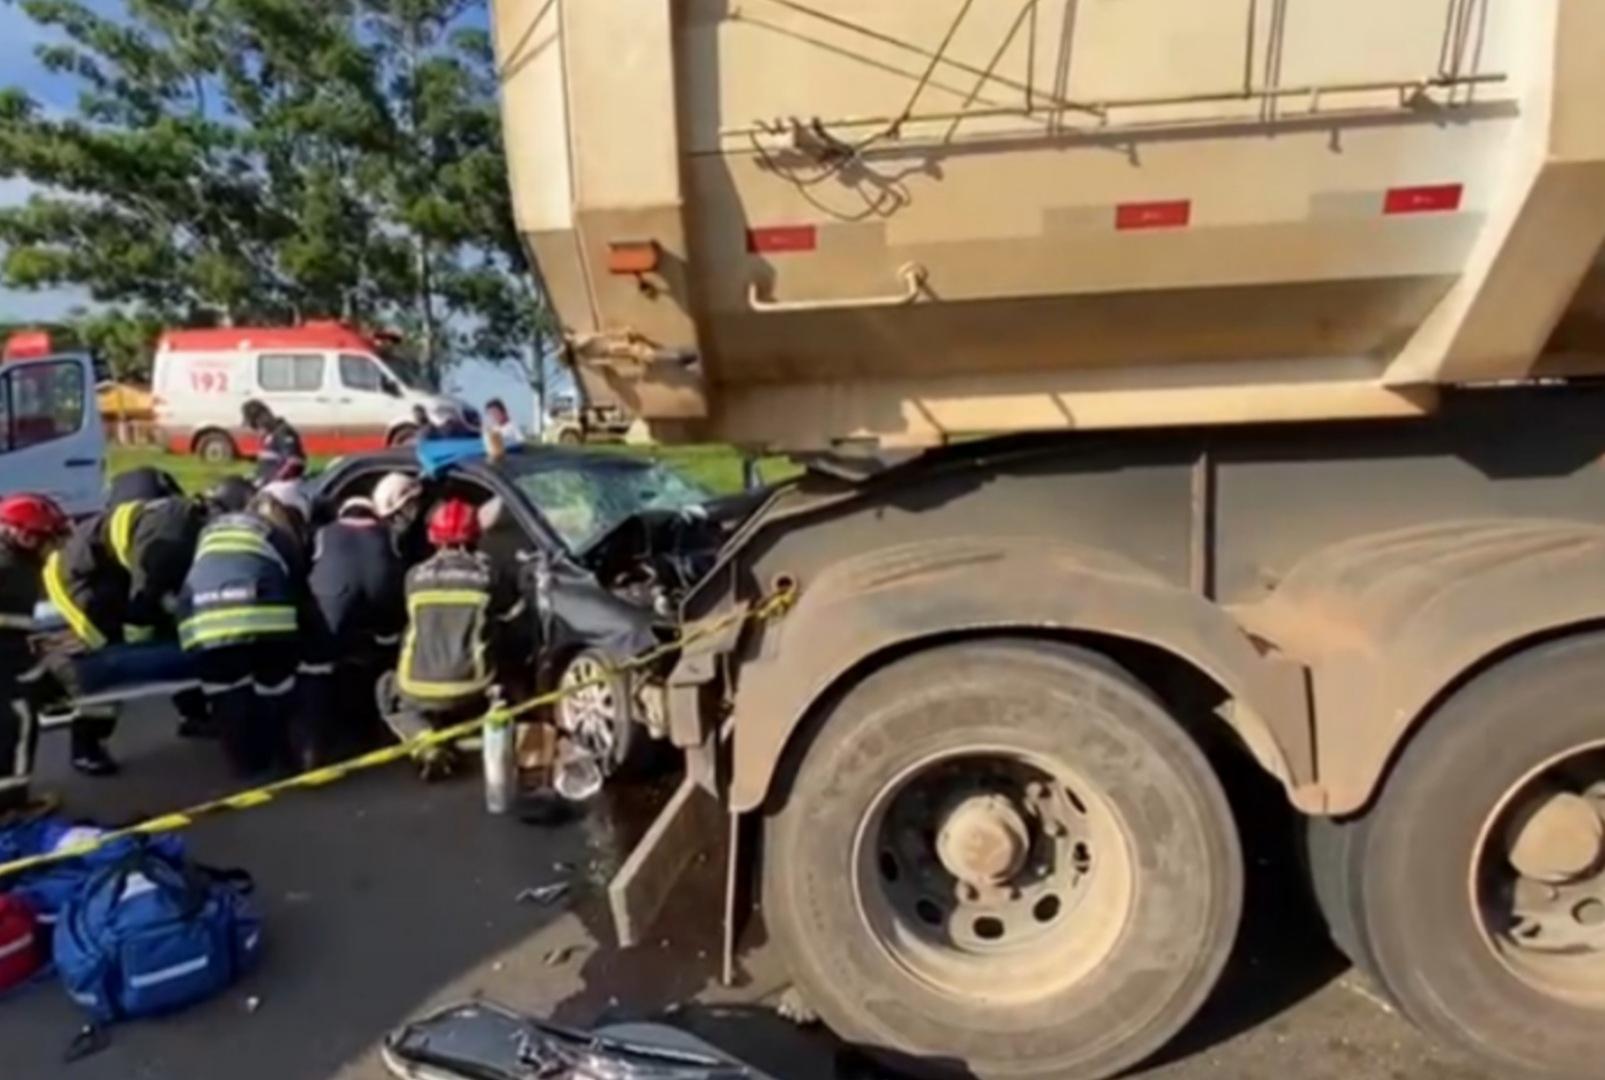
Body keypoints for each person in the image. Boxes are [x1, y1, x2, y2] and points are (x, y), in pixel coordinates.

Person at [43, 488, 212, 775]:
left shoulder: (185, 524)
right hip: (77, 578)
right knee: (107, 661)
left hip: (111, 571)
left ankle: (194, 715)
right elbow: (144, 606)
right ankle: (86, 746)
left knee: (175, 634)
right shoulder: (170, 547)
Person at [177, 481, 313, 776]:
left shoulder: (209, 530)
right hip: (264, 611)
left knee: (227, 693)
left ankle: (247, 765)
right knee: (275, 687)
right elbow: (299, 587)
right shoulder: (275, 533)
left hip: (201, 618)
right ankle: (284, 760)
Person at [298, 485, 411, 765]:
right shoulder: (389, 534)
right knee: (386, 659)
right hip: (380, 605)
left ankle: (314, 744)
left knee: (318, 668)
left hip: (332, 606)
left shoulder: (323, 533)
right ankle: (383, 731)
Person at [391, 499, 504, 779]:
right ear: (476, 534)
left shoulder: (413, 576)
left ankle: (426, 743)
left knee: (387, 692)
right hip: (473, 684)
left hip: (417, 685)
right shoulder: (488, 575)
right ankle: (480, 733)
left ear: (432, 536)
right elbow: (512, 619)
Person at [0, 494, 71, 811]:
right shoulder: (15, 573)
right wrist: (47, 680)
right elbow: (12, 647)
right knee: (18, 725)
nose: (52, 549)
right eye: (48, 539)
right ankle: (10, 810)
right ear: (26, 537)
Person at [242, 399, 307, 484]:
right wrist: (255, 475)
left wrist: (274, 479)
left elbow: (294, 463)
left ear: (262, 418)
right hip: (268, 483)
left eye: (254, 425)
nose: (254, 429)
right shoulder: (268, 436)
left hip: (284, 485)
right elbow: (266, 465)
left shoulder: (284, 433)